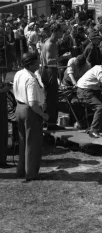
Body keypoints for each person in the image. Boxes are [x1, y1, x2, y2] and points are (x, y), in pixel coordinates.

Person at [13, 53, 49, 182]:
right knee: (33, 143)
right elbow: (33, 103)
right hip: (30, 111)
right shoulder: (31, 79)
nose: (39, 64)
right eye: (37, 62)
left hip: (19, 108)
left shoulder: (19, 74)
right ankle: (31, 173)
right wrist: (43, 114)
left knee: (23, 142)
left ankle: (21, 170)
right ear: (31, 63)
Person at [77, 61, 102, 138]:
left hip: (93, 91)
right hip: (84, 91)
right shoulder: (98, 69)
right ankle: (93, 130)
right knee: (100, 107)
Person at [40, 22, 65, 131]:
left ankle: (46, 121)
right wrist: (63, 57)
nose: (62, 33)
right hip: (49, 70)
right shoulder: (50, 44)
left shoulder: (49, 42)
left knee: (48, 97)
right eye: (61, 31)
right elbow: (49, 60)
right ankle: (51, 123)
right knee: (52, 98)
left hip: (46, 70)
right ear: (55, 31)